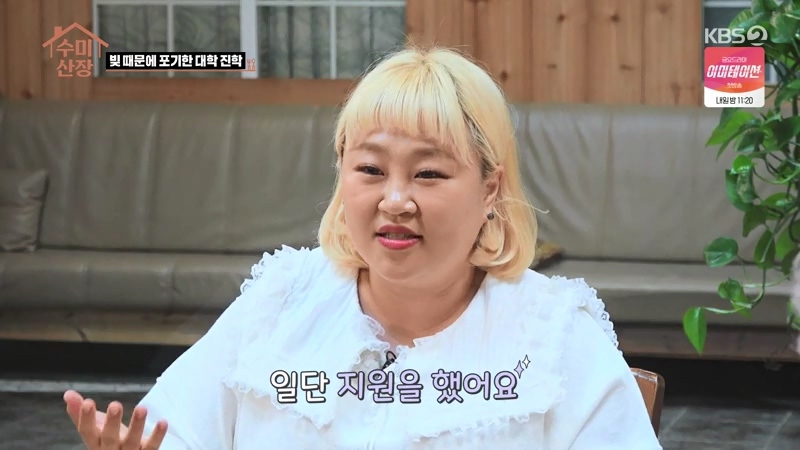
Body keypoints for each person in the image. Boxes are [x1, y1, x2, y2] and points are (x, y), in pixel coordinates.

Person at [63, 45, 662, 449]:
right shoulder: (281, 301)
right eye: (370, 169)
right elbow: (178, 432)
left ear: (489, 189)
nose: (395, 200)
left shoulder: (551, 335)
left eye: (428, 174)